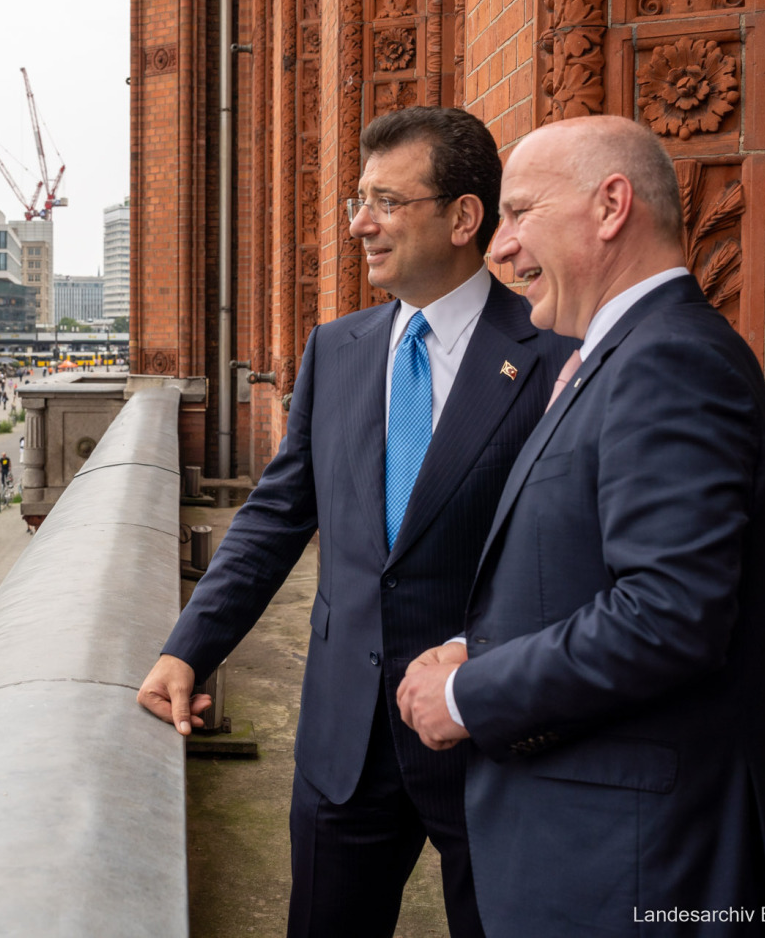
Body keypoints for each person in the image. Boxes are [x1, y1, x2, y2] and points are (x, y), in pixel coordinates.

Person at [137, 106, 574, 938]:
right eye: (355, 201)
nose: (359, 225)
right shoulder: (335, 349)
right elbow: (274, 518)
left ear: (463, 217)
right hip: (343, 742)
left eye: (385, 201)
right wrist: (187, 648)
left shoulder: (552, 355)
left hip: (491, 744)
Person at [397, 116, 765, 936]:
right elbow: (598, 578)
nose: (498, 250)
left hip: (631, 873)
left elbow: (669, 615)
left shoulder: (670, 360)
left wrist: (468, 694)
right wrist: (486, 646)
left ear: (612, 206)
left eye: (519, 213)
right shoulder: (619, 357)